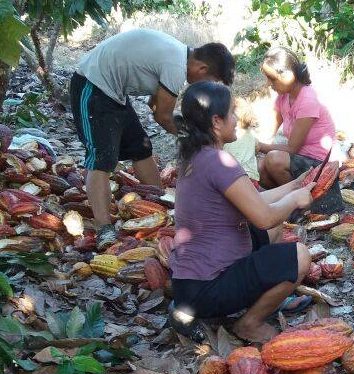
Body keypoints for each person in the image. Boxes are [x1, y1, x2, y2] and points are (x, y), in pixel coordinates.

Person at [168, 81, 315, 344]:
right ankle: (249, 323)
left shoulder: (198, 156)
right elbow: (264, 215)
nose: (236, 120)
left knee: (271, 231)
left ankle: (256, 298)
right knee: (299, 256)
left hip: (188, 286)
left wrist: (295, 184)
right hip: (207, 288)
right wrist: (295, 199)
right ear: (216, 122)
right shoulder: (219, 162)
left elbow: (254, 200)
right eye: (232, 114)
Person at [70, 28, 235, 250]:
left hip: (114, 93)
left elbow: (153, 104)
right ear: (201, 68)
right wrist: (195, 139)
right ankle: (103, 228)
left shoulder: (177, 55)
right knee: (102, 158)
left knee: (141, 147)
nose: (204, 88)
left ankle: (158, 202)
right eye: (209, 81)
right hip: (93, 85)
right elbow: (162, 115)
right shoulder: (176, 66)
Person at [256, 47, 343, 214]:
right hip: (300, 159)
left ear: (288, 75)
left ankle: (302, 206)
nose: (270, 84)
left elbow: (292, 148)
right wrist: (252, 146)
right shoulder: (283, 97)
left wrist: (261, 147)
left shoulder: (307, 100)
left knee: (274, 159)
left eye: (272, 80)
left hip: (318, 163)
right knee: (260, 168)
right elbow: (269, 132)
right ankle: (288, 205)